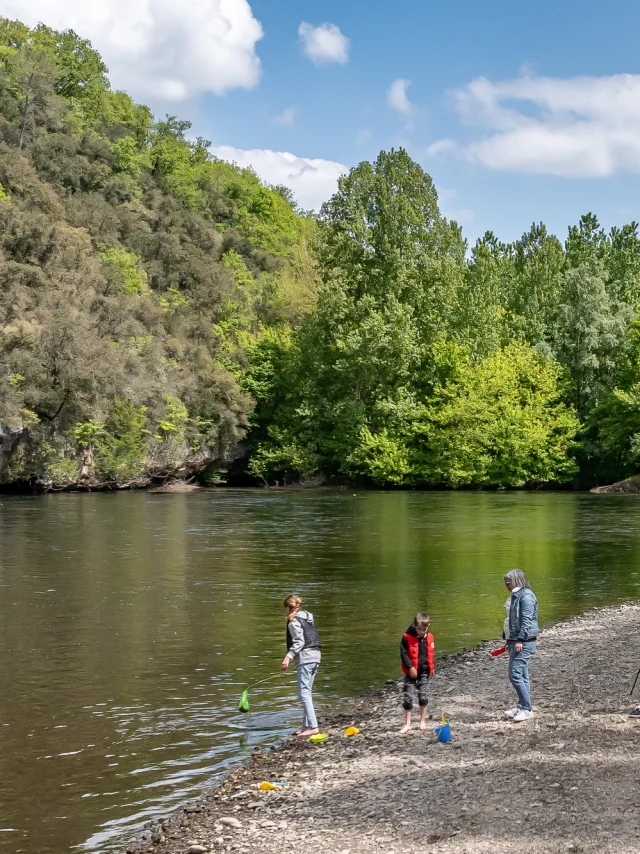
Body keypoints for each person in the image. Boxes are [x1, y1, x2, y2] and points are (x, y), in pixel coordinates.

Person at [281, 594, 322, 737]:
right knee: (307, 692)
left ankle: (313, 726)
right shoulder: (308, 618)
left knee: (303, 693)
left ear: (287, 608)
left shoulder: (293, 622)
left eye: (284, 608)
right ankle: (306, 726)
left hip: (306, 658)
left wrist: (288, 657)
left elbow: (299, 642)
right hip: (316, 656)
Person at [502, 569, 540, 722]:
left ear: (516, 581)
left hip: (524, 641)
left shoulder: (526, 597)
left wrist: (520, 640)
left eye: (508, 582)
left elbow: (526, 621)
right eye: (505, 582)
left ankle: (527, 709)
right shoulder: (515, 596)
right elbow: (510, 619)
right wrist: (507, 639)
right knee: (522, 675)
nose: (506, 585)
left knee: (515, 674)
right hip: (513, 640)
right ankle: (523, 706)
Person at [399, 612, 435, 733]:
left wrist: (432, 667)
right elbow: (403, 654)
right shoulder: (406, 637)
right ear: (414, 626)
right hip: (411, 672)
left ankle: (422, 721)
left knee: (423, 695)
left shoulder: (429, 637)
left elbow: (431, 654)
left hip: (424, 671)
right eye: (419, 629)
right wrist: (410, 667)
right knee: (408, 696)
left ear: (428, 627)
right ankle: (408, 723)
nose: (422, 632)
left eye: (424, 629)